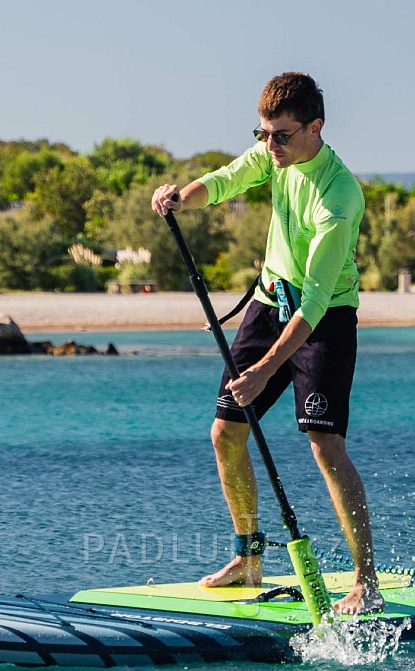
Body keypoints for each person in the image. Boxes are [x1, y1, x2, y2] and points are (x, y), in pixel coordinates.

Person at [151, 71, 382, 614]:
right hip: (270, 300)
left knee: (324, 445)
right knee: (225, 432)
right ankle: (249, 557)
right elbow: (228, 179)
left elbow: (316, 304)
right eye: (263, 134)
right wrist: (180, 198)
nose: (268, 146)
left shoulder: (338, 196)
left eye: (280, 135)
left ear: (314, 127)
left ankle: (365, 580)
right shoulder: (271, 156)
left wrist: (262, 373)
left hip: (322, 318)